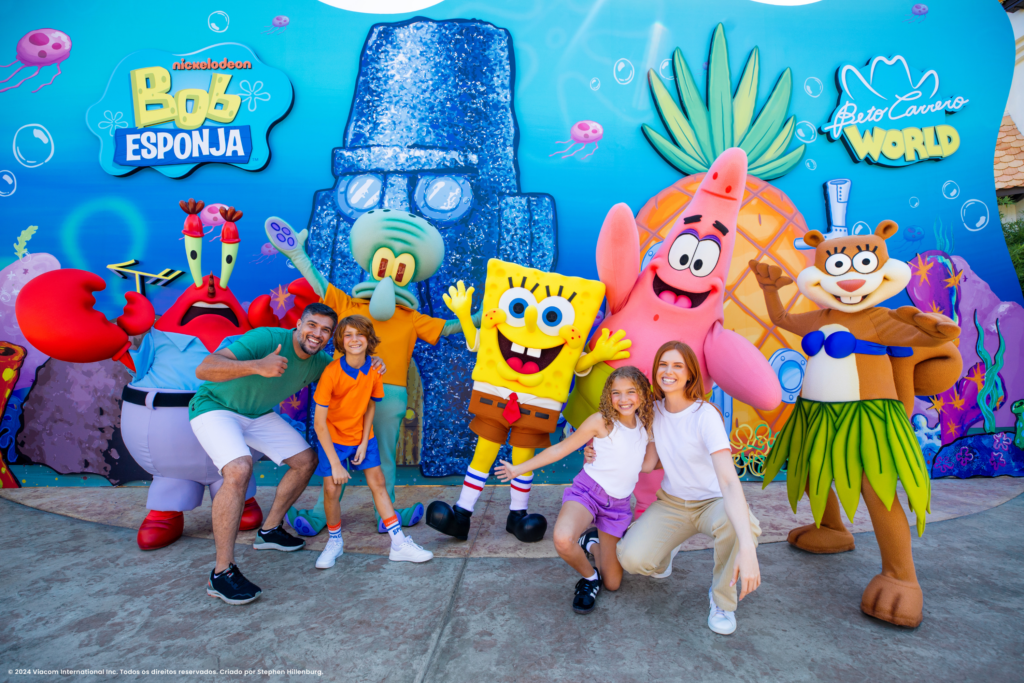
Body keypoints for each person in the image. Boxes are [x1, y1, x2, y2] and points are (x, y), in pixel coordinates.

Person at [190, 303, 382, 605]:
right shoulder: (267, 339)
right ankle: (222, 573)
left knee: (306, 461)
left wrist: (374, 361)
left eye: (325, 330)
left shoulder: (320, 363)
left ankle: (269, 531)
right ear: (298, 323)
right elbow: (205, 368)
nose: (316, 334)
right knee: (239, 469)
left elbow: (351, 368)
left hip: (257, 414)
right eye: (311, 325)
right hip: (215, 407)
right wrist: (256, 365)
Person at [601, 341, 762, 635]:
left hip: (713, 502)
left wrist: (748, 549)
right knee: (632, 559)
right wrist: (595, 451)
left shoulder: (705, 415)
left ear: (690, 374)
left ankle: (722, 602)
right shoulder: (652, 411)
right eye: (663, 364)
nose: (668, 371)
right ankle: (667, 551)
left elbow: (728, 480)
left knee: (741, 528)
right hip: (673, 503)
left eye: (677, 365)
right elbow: (628, 442)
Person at [496, 366, 658, 614]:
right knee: (562, 539)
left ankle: (591, 542)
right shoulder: (602, 422)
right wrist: (519, 469)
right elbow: (560, 449)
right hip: (588, 492)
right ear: (608, 395)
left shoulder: (646, 424)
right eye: (616, 393)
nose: (623, 399)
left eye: (631, 392)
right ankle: (589, 578)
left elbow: (646, 465)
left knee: (613, 583)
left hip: (618, 506)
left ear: (643, 395)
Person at [313, 315, 433, 568]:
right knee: (331, 489)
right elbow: (319, 423)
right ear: (340, 341)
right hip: (332, 438)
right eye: (348, 335)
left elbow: (369, 406)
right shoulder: (331, 373)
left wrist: (365, 440)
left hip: (361, 435)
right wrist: (335, 463)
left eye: (360, 334)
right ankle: (335, 542)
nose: (354, 339)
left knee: (378, 482)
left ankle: (399, 543)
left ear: (369, 339)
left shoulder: (375, 369)